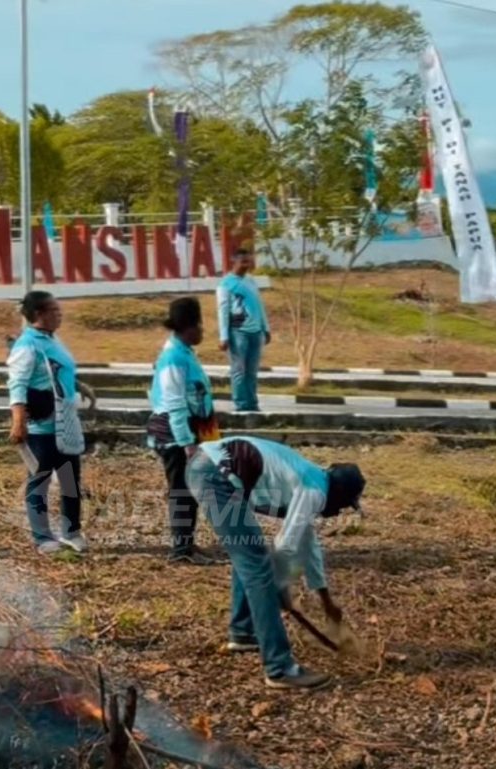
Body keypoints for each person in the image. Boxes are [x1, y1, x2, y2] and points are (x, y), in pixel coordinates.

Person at [186, 435, 365, 690]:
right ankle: (280, 668)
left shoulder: (316, 480)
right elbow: (285, 545)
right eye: (345, 506)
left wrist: (326, 601)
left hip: (211, 467)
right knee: (258, 568)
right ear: (338, 494)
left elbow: (307, 542)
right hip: (214, 474)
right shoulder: (314, 490)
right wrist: (280, 587)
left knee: (249, 553)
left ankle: (244, 632)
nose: (339, 513)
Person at [7, 291, 96, 555]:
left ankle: (71, 531)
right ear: (39, 315)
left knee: (70, 479)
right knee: (40, 481)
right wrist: (18, 421)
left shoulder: (53, 340)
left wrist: (80, 386)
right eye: (55, 310)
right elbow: (18, 384)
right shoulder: (27, 345)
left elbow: (58, 371)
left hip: (64, 422)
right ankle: (42, 537)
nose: (60, 314)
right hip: (41, 427)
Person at [147, 297, 220, 564]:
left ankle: (187, 543)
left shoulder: (184, 353)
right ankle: (181, 551)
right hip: (176, 435)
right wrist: (188, 443)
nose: (202, 331)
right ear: (187, 328)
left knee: (191, 489)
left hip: (191, 431)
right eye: (199, 325)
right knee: (182, 489)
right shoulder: (173, 359)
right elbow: (175, 404)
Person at [216, 248, 270, 412]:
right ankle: (241, 404)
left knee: (252, 372)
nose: (247, 264)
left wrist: (265, 327)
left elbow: (259, 305)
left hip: (256, 332)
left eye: (249, 260)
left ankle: (252, 403)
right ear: (234, 261)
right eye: (243, 261)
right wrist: (223, 336)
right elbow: (223, 310)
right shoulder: (226, 284)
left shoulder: (251, 281)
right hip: (237, 332)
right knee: (239, 371)